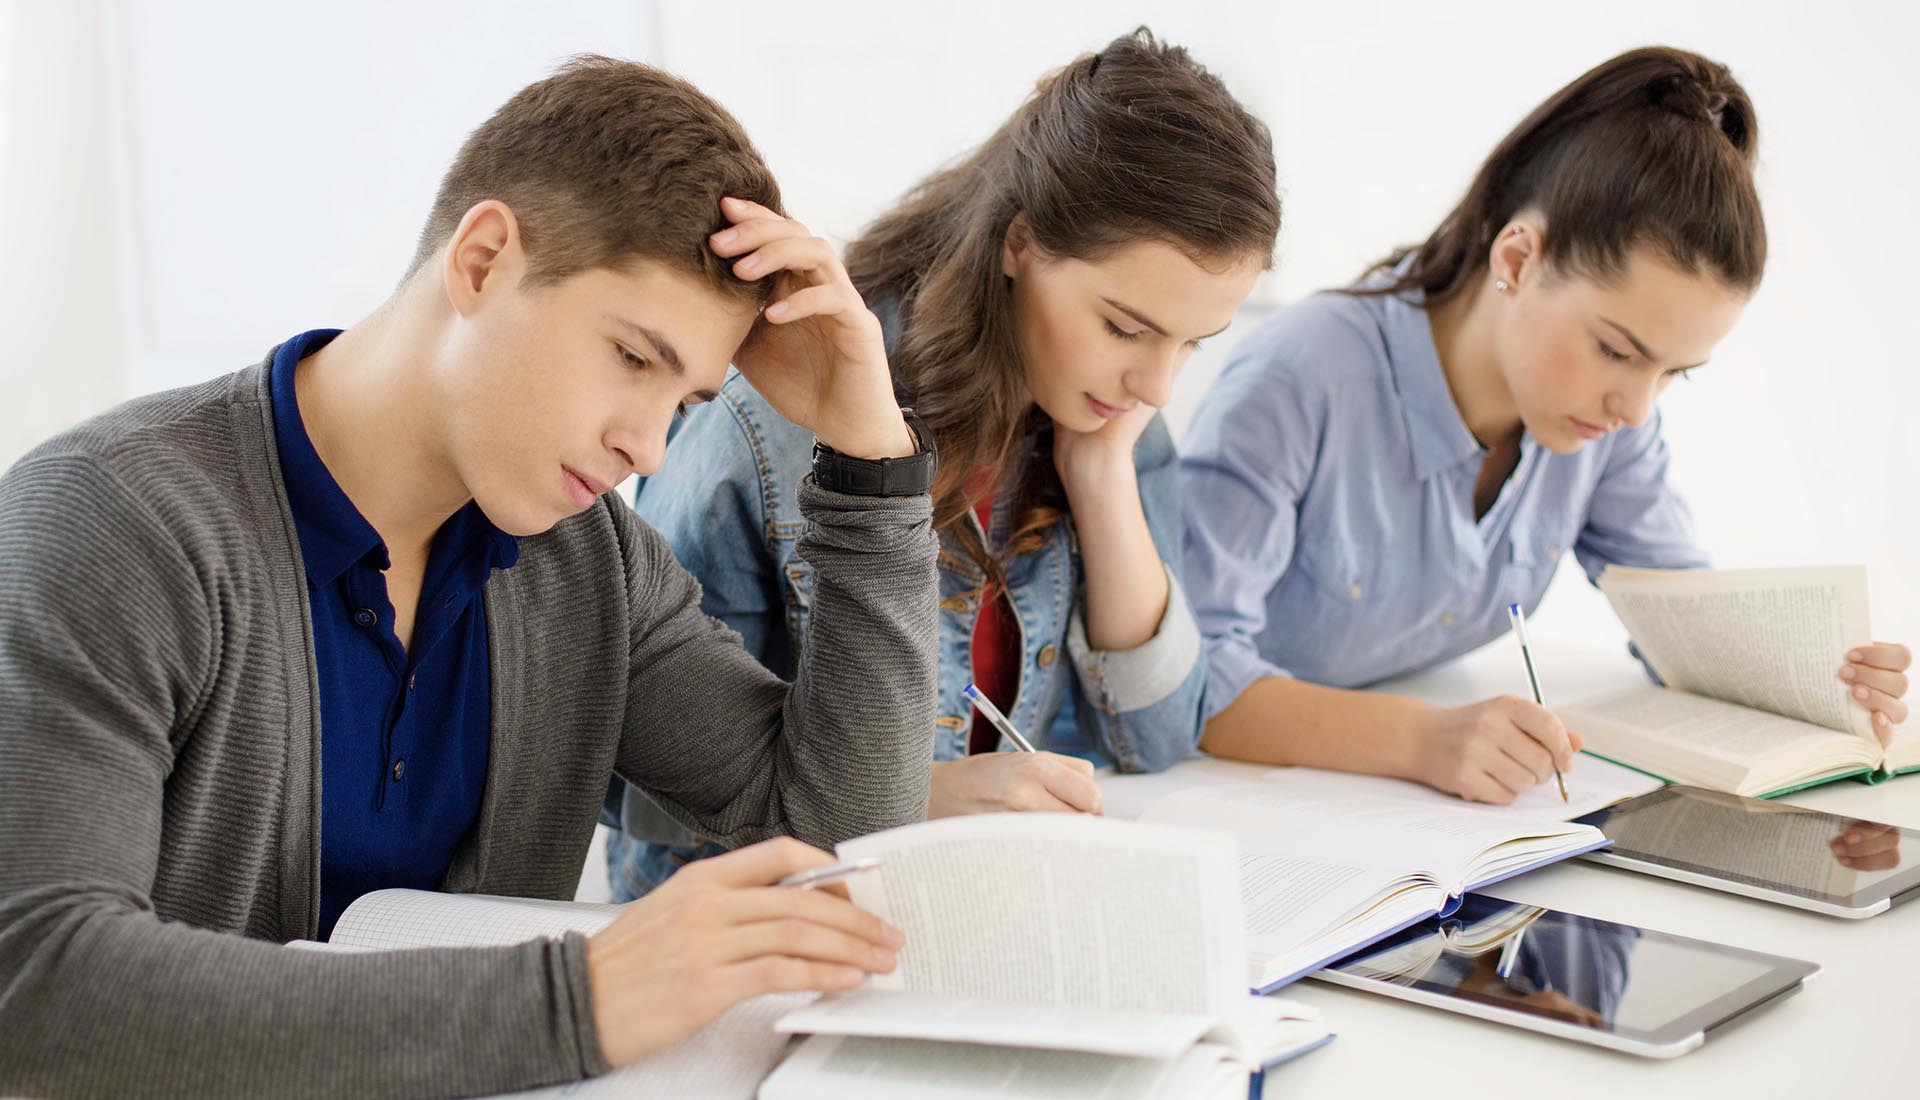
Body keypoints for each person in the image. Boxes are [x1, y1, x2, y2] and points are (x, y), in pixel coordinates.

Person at [0, 57, 942, 1099]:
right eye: (634, 357)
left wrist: (871, 460)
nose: (650, 448)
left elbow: (836, 825)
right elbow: (40, 985)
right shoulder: (111, 520)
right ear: (485, 259)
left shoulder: (587, 562)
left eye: (684, 401)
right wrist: (581, 1000)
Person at [604, 28, 1279, 899]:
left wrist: (1104, 476)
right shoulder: (774, 417)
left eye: (1194, 342)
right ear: (1020, 243)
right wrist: (904, 801)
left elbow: (1156, 734)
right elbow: (640, 792)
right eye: (1125, 326)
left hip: (973, 903)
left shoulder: (1109, 412)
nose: (1157, 382)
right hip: (763, 920)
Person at [1181, 46, 1911, 804]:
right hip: (1214, 805)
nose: (1636, 408)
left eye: (1673, 373)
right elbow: (1183, 680)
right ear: (1520, 259)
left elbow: (1680, 620)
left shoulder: (1606, 424)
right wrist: (1422, 741)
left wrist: (1821, 677)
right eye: (1616, 350)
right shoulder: (1301, 378)